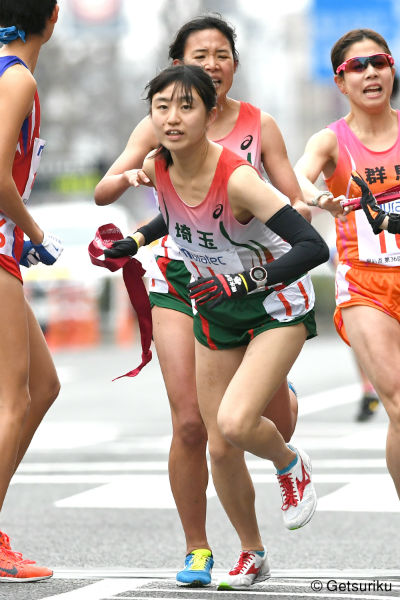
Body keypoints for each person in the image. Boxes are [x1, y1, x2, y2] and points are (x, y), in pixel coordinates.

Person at [95, 15, 308, 587]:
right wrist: (131, 233)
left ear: (225, 78)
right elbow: (143, 200)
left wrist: (303, 203)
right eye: (200, 54)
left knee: (247, 420)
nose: (212, 63)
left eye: (222, 54)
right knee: (199, 426)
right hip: (186, 282)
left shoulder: (252, 135)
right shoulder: (161, 136)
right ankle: (213, 548)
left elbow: (295, 214)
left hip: (258, 286)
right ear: (174, 65)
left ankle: (280, 424)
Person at [295, 28, 400, 499]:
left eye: (378, 62)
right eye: (357, 67)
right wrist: (319, 197)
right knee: (398, 402)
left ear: (392, 69)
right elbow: (298, 175)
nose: (371, 73)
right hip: (365, 287)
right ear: (340, 82)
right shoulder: (331, 141)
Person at [0, 0, 63, 582]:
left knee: (42, 386)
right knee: (12, 399)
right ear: (54, 16)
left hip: (5, 251)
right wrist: (35, 229)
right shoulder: (16, 77)